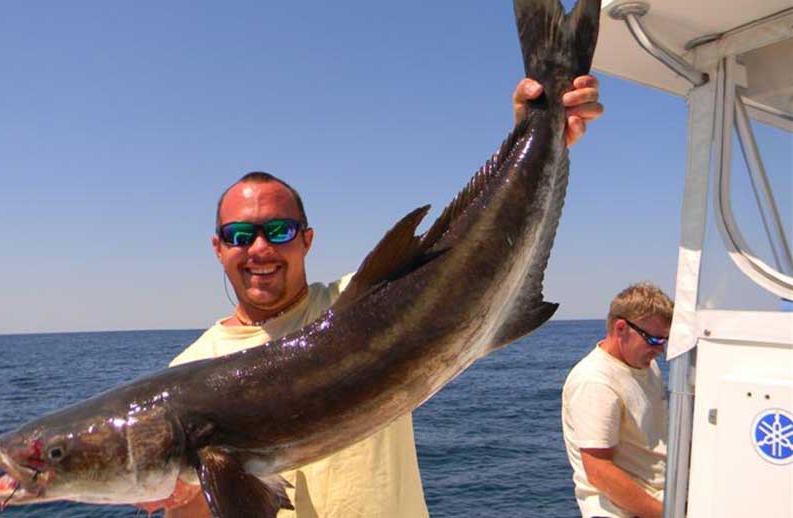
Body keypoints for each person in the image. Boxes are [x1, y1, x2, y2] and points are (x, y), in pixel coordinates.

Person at [152, 75, 604, 518]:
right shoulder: (187, 376)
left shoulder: (364, 306)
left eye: (279, 230)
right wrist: (181, 495)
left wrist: (537, 131)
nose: (260, 249)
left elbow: (474, 254)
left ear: (306, 239)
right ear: (219, 248)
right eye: (239, 235)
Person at [561, 283, 675, 518]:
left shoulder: (646, 365)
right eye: (653, 340)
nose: (660, 350)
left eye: (664, 341)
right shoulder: (595, 382)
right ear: (621, 328)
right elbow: (599, 471)